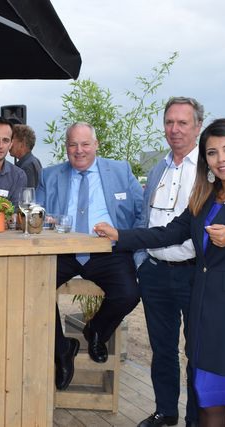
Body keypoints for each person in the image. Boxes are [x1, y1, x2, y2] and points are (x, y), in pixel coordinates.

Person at [95, 119, 225, 427]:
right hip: (204, 309)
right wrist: (119, 236)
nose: (221, 159)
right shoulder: (205, 197)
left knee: (216, 400)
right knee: (212, 398)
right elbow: (167, 233)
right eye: (212, 153)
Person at [36, 122, 143, 390]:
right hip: (63, 249)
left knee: (129, 293)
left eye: (85, 144)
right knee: (33, 287)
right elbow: (36, 213)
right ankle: (62, 349)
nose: (79, 150)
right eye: (73, 144)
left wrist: (129, 241)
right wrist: (44, 220)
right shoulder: (49, 175)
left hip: (108, 250)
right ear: (66, 147)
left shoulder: (120, 171)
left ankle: (96, 331)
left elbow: (142, 212)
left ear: (96, 145)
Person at [136, 97, 204, 427]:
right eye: (169, 122)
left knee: (198, 352)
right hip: (155, 274)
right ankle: (166, 412)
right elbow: (144, 218)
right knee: (162, 349)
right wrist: (141, 262)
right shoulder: (157, 168)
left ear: (198, 127)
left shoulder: (207, 170)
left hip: (193, 274)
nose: (174, 129)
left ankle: (195, 419)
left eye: (182, 123)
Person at [10, 124, 43, 188]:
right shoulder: (33, 161)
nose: (9, 144)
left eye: (12, 140)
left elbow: (27, 193)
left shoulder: (27, 166)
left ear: (22, 144)